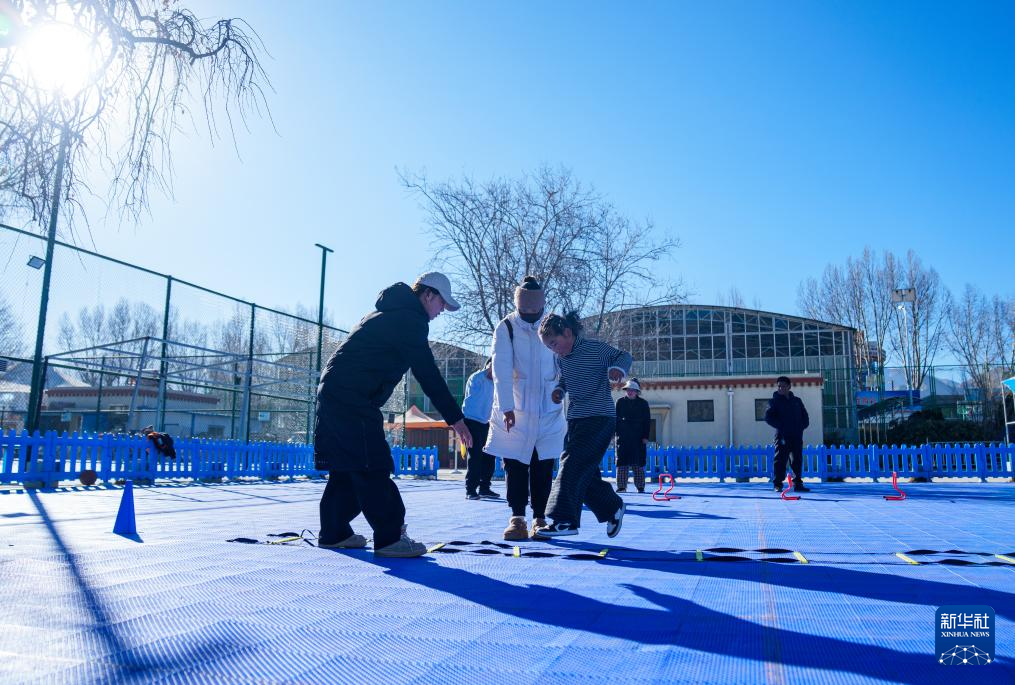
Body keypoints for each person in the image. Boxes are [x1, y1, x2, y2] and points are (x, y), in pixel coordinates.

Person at [314, 272, 473, 558]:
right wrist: (456, 419)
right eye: (442, 304)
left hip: (335, 393)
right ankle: (390, 537)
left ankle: (334, 531)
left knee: (349, 464)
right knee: (372, 463)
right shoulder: (409, 320)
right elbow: (427, 373)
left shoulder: (387, 314)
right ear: (428, 295)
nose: (442, 311)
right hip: (351, 397)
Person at [537, 311, 632, 538]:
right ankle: (612, 506)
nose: (554, 350)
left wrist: (618, 369)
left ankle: (564, 521)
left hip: (599, 417)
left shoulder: (594, 349)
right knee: (583, 471)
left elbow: (624, 355)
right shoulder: (561, 359)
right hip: (576, 419)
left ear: (567, 333)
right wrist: (560, 390)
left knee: (571, 464)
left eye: (554, 343)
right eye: (549, 347)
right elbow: (565, 379)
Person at [484, 276, 566, 541]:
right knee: (515, 463)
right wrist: (506, 407)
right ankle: (517, 518)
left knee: (543, 464)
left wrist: (561, 388)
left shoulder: (555, 324)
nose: (530, 315)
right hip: (516, 408)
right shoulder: (506, 327)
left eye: (534, 310)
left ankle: (540, 518)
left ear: (542, 306)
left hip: (548, 407)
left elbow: (565, 359)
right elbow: (501, 369)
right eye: (524, 310)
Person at [765, 375, 811, 493]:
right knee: (780, 460)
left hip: (796, 435)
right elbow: (768, 417)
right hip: (782, 436)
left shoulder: (797, 401)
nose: (781, 388)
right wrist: (782, 426)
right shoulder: (774, 402)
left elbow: (805, 416)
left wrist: (801, 427)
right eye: (779, 386)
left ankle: (798, 484)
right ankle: (778, 484)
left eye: (783, 386)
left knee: (797, 460)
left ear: (789, 387)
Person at [462, 359, 499, 501]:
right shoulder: (477, 378)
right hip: (472, 420)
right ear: (488, 366)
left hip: (488, 422)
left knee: (490, 455)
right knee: (475, 455)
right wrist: (489, 370)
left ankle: (485, 488)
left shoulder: (497, 383)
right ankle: (470, 489)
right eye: (493, 365)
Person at [615, 378, 650, 493]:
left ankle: (640, 486)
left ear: (637, 391)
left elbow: (647, 421)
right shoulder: (620, 402)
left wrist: (645, 436)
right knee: (622, 462)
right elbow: (615, 419)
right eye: (628, 390)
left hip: (638, 437)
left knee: (638, 462)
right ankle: (621, 486)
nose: (630, 392)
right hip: (622, 437)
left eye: (633, 390)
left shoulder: (643, 404)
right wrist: (613, 433)